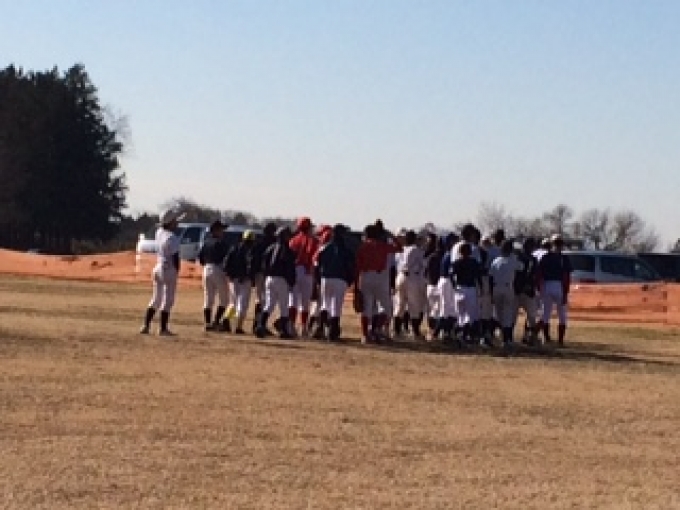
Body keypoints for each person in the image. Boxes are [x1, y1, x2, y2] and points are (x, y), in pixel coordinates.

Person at [140, 209, 185, 336]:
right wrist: (177, 270)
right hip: (168, 268)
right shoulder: (172, 237)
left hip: (158, 266)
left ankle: (146, 325)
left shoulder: (159, 232)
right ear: (170, 222)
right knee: (168, 300)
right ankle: (163, 329)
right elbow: (175, 257)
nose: (176, 223)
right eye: (174, 221)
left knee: (156, 299)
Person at [355, 224, 403, 343]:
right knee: (386, 308)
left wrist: (356, 286)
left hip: (365, 276)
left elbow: (357, 267)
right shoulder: (382, 246)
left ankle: (365, 335)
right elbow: (399, 248)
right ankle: (376, 329)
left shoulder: (362, 247)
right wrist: (392, 236)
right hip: (380, 277)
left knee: (367, 308)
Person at [315, 224, 356, 341]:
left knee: (325, 304)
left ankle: (320, 328)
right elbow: (350, 266)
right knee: (336, 307)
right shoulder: (346, 250)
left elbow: (317, 265)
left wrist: (318, 279)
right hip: (339, 278)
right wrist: (350, 280)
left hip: (325, 278)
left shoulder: (324, 248)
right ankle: (333, 333)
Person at [257, 227, 297, 339]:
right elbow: (289, 267)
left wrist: (266, 275)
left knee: (269, 304)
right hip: (281, 279)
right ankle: (283, 331)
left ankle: (260, 325)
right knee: (284, 306)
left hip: (269, 278)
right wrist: (291, 281)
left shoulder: (270, 248)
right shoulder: (287, 250)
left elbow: (264, 264)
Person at [537, 234, 573, 345]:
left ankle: (545, 338)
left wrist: (539, 288)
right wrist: (565, 292)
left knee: (545, 314)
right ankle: (559, 340)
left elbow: (539, 274)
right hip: (558, 285)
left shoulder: (545, 257)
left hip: (547, 285)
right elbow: (566, 276)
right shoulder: (563, 258)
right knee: (562, 314)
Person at [288, 217, 320, 337]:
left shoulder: (293, 240)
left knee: (293, 300)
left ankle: (291, 326)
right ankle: (303, 328)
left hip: (294, 270)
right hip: (306, 270)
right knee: (305, 302)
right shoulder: (313, 240)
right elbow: (313, 256)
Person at [489, 240, 523, 348]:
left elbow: (491, 277)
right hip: (508, 288)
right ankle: (506, 340)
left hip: (496, 287)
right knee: (507, 314)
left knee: (498, 314)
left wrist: (491, 292)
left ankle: (497, 336)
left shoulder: (496, 260)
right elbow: (521, 267)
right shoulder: (513, 260)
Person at [198, 220, 230, 332]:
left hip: (206, 269)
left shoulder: (206, 242)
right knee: (224, 299)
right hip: (218, 269)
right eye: (221, 229)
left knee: (208, 298)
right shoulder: (221, 243)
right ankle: (216, 322)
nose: (223, 232)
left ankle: (208, 323)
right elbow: (227, 259)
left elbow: (201, 259)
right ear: (215, 230)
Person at [394, 230, 426, 339]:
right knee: (414, 305)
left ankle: (397, 331)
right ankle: (415, 332)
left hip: (400, 276)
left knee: (400, 304)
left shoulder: (400, 250)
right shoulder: (415, 249)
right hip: (411, 277)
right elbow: (421, 264)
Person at [224, 230, 257, 334]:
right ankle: (238, 327)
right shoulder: (250, 251)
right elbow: (250, 266)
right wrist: (250, 277)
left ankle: (226, 319)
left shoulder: (234, 248)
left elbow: (226, 262)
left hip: (233, 279)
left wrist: (229, 275)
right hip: (244, 280)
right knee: (243, 303)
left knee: (233, 302)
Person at [450, 242, 482, 344]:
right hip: (470, 289)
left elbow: (451, 275)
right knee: (470, 314)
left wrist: (454, 285)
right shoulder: (474, 262)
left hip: (459, 288)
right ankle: (464, 335)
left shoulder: (456, 262)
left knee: (460, 314)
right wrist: (481, 288)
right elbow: (478, 276)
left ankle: (461, 335)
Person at [249, 222, 277, 334]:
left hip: (258, 274)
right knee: (265, 301)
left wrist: (252, 275)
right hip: (266, 274)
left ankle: (257, 324)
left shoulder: (258, 242)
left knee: (259, 299)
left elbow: (252, 259)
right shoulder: (273, 243)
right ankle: (260, 325)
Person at [515, 238, 540, 344]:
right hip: (524, 289)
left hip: (518, 289)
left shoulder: (518, 257)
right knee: (531, 315)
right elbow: (532, 275)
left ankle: (527, 336)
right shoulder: (530, 259)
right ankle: (531, 337)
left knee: (515, 315)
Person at [424, 233, 443, 338]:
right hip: (438, 286)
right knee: (438, 310)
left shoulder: (430, 257)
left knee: (431, 310)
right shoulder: (443, 256)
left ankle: (431, 331)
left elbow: (426, 272)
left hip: (430, 285)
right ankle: (435, 332)